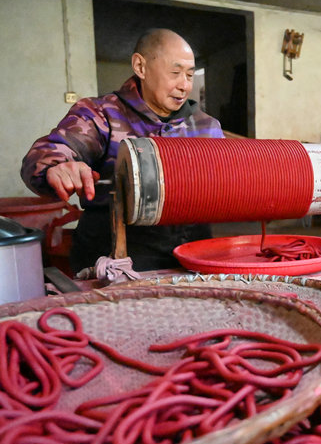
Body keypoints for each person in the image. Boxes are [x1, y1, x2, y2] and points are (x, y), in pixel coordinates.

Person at [21, 28, 224, 274]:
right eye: (175, 73)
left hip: (192, 255)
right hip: (115, 256)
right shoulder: (101, 114)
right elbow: (51, 151)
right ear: (141, 67)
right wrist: (57, 166)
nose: (184, 86)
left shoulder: (206, 126)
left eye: (190, 76)